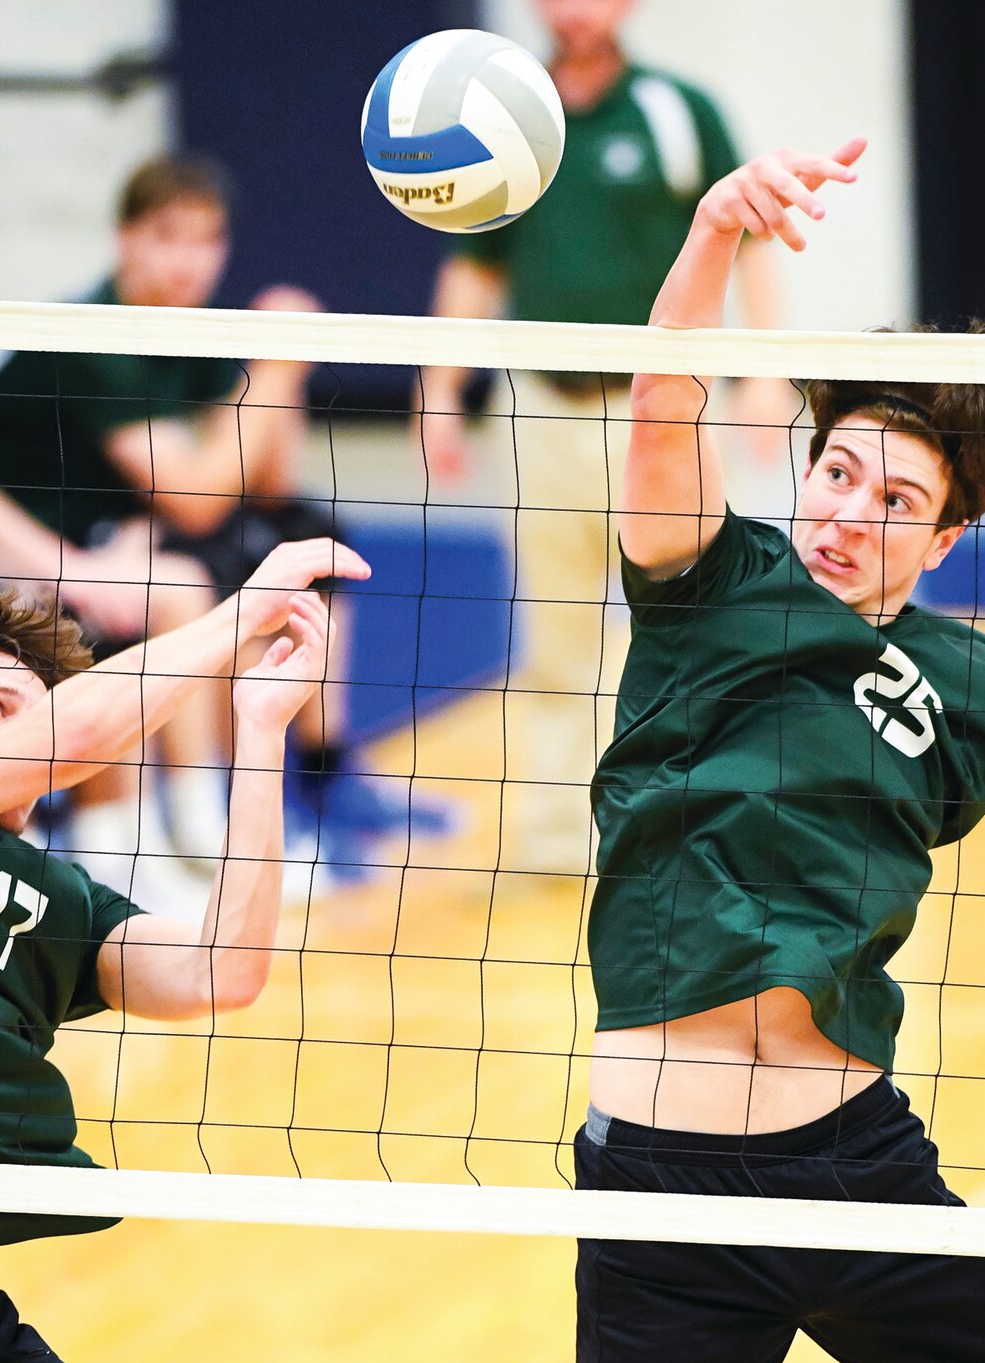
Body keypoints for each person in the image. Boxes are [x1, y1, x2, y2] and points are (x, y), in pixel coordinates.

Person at [569, 138, 985, 1363]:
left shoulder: (977, 688)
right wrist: (719, 227)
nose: (848, 512)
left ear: (946, 539)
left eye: (895, 500)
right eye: (838, 471)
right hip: (660, 1192)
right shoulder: (711, 578)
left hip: (855, 1168)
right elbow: (663, 400)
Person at [0, 533, 369, 1363]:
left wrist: (263, 728)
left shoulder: (60, 901)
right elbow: (69, 736)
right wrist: (245, 610)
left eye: (5, 703)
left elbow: (221, 969)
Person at [417, 0, 792, 876]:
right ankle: (558, 847)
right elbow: (477, 261)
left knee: (697, 631)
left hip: (660, 415)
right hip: (539, 409)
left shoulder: (678, 111)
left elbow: (755, 243)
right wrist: (438, 386)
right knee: (556, 643)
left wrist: (767, 374)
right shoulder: (506, 118)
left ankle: (697, 832)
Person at [0, 154, 397, 890]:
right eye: (170, 236)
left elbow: (267, 483)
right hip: (18, 561)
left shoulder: (187, 335)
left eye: (208, 240)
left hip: (104, 542)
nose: (189, 260)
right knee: (189, 584)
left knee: (295, 542)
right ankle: (196, 834)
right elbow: (197, 496)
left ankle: (314, 785)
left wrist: (283, 368)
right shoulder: (92, 340)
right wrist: (272, 368)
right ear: (126, 238)